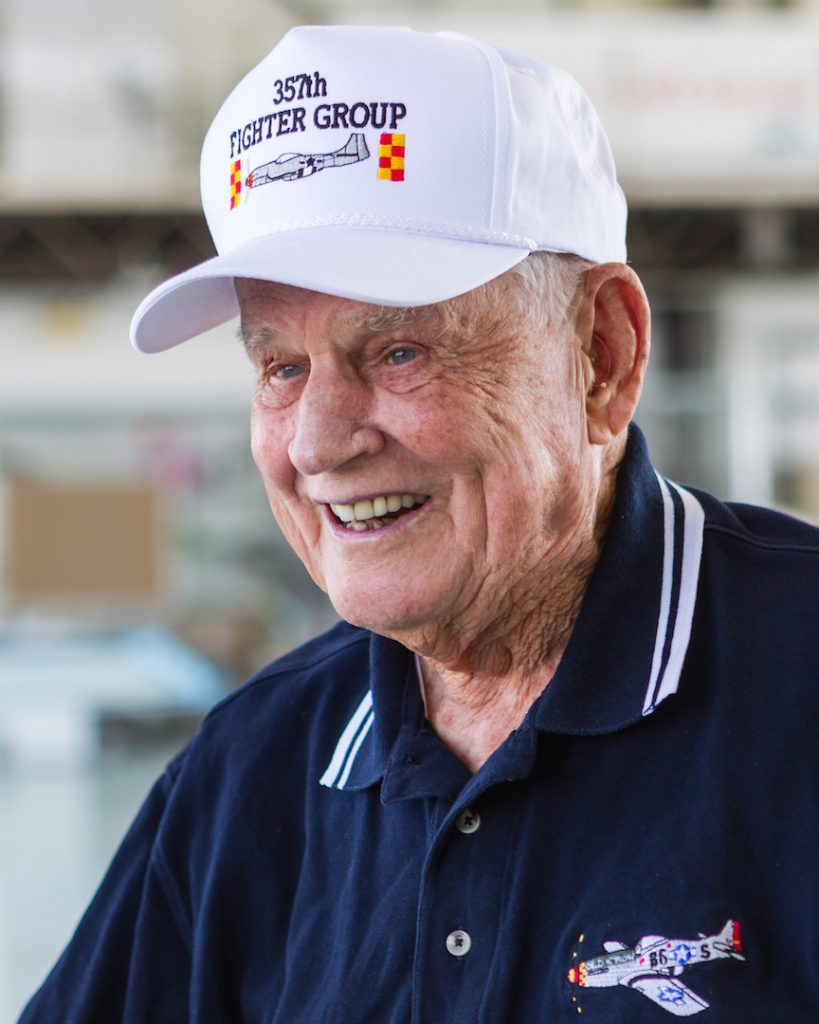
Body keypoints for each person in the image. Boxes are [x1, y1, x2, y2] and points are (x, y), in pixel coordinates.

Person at [19, 24, 819, 1024]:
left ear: (603, 356)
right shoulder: (244, 777)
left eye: (398, 351)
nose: (316, 442)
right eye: (279, 367)